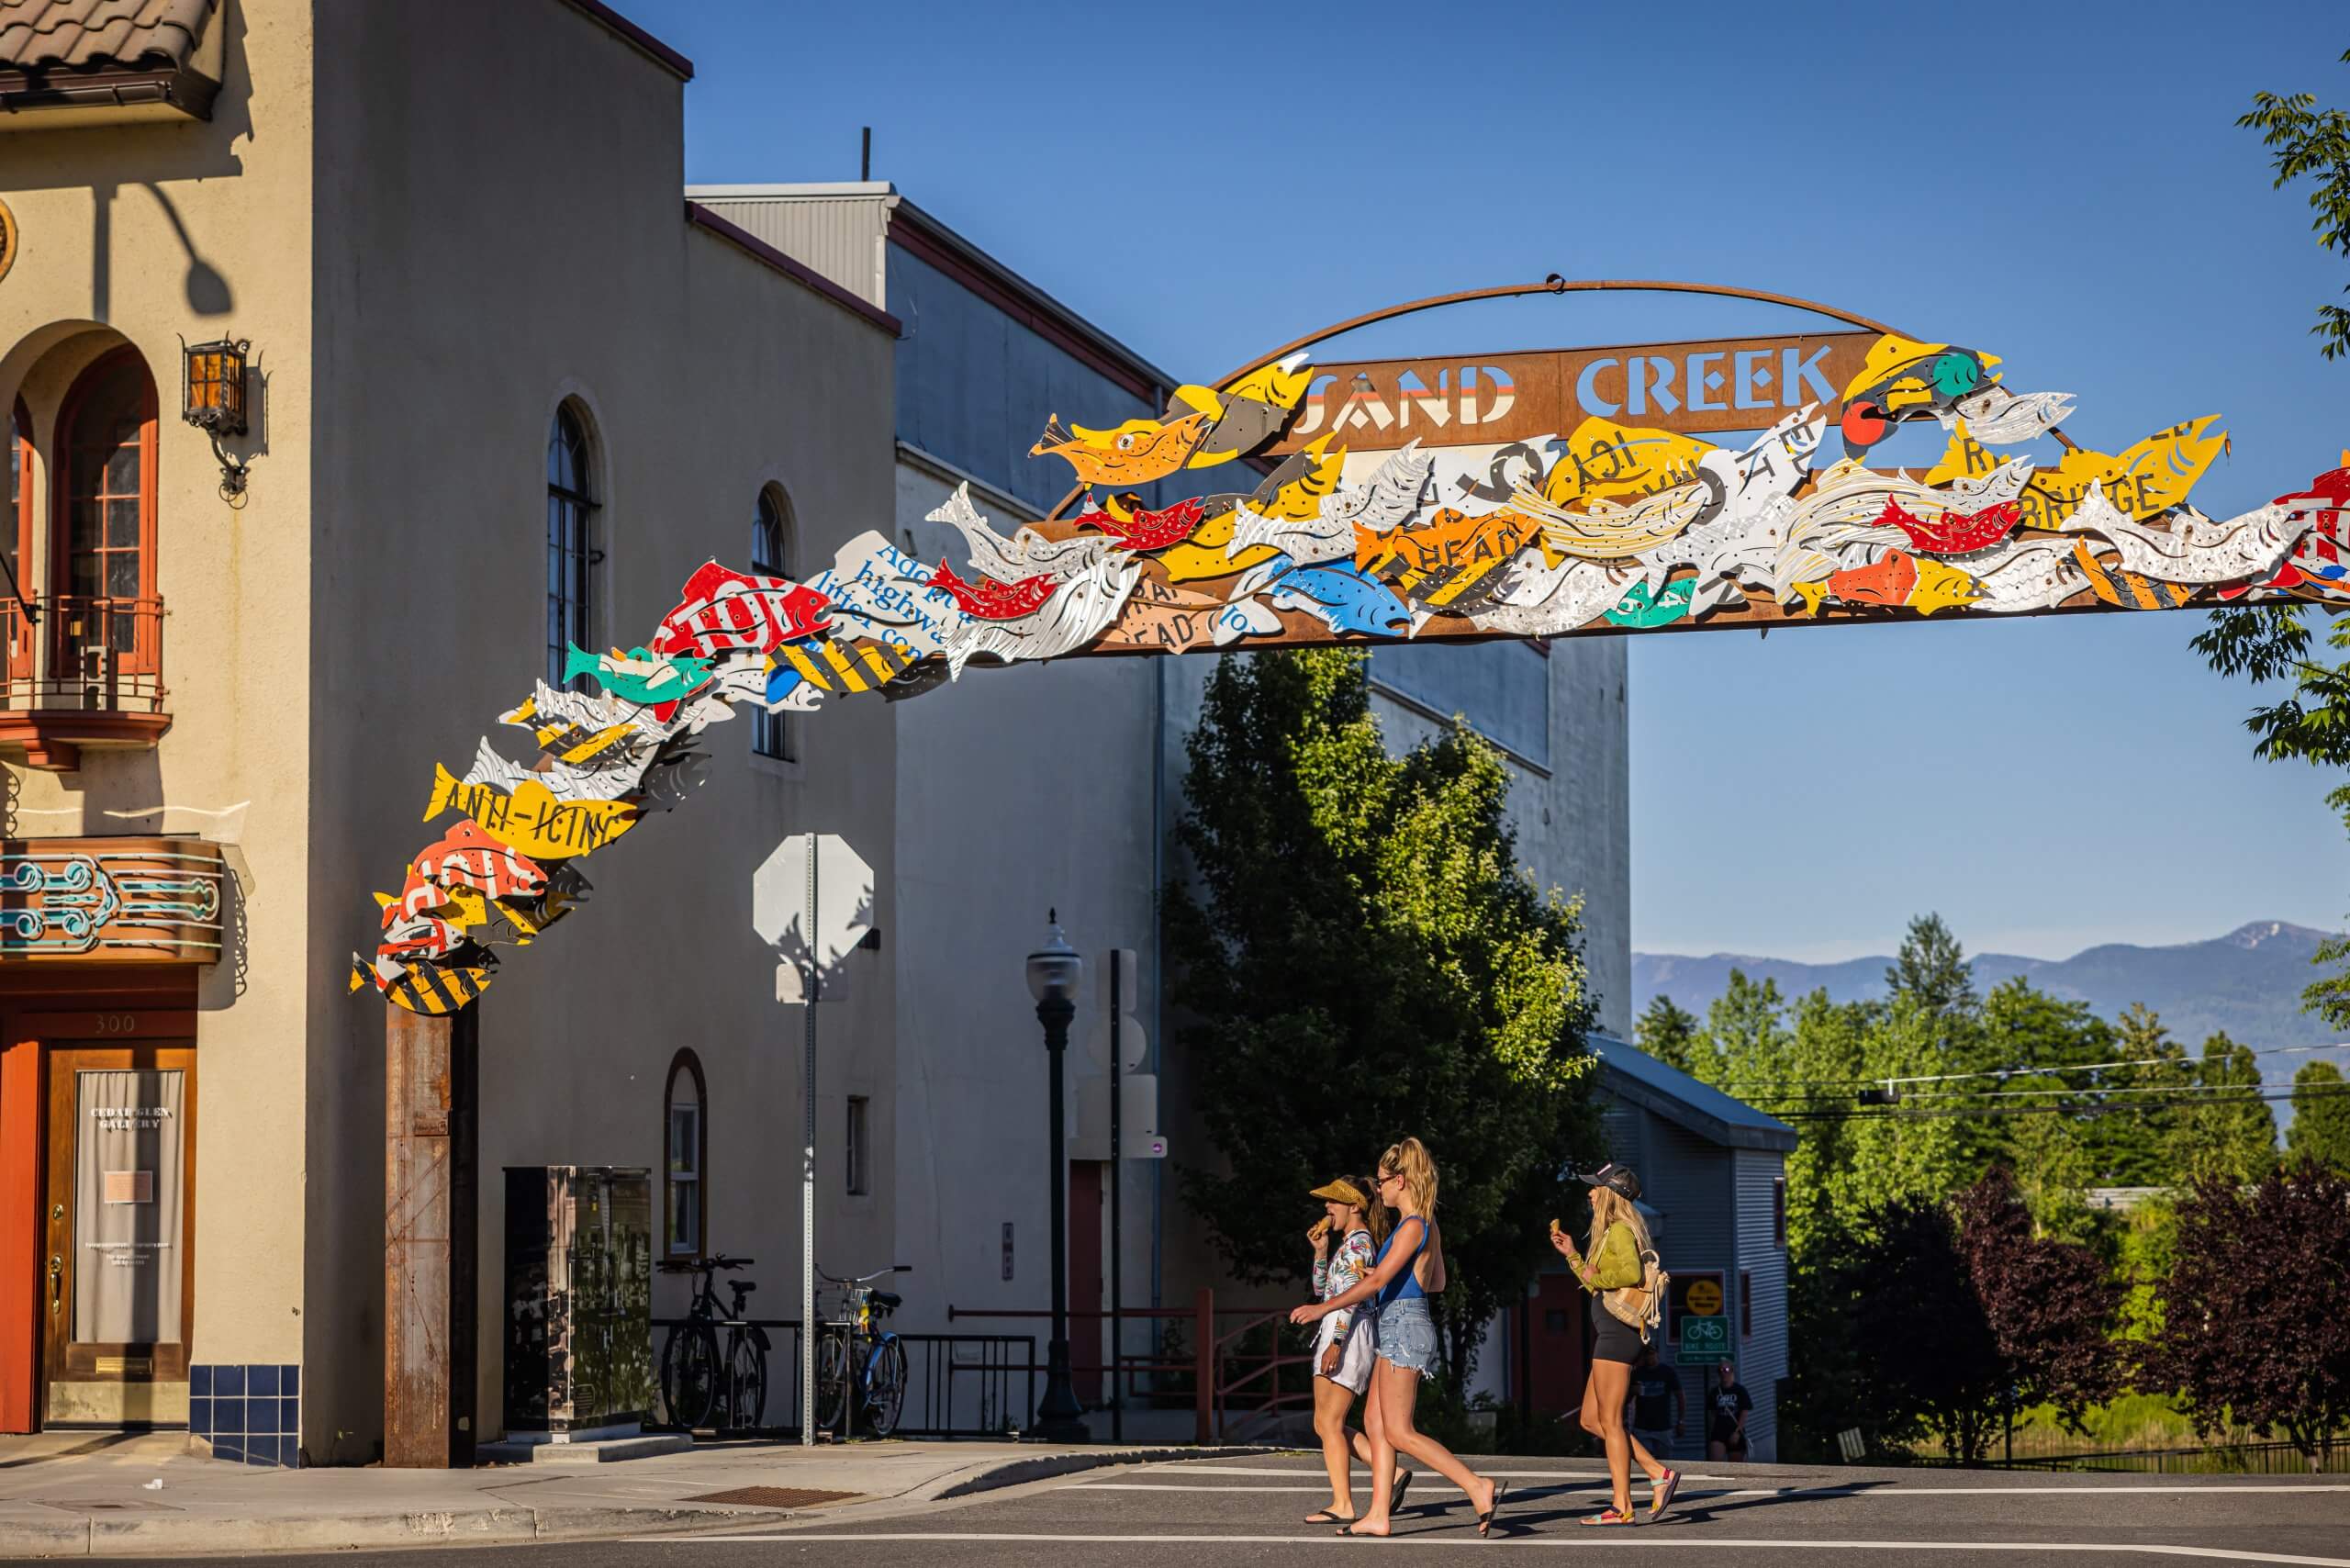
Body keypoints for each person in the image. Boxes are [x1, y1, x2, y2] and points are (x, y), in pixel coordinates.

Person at [1292, 1138, 1505, 1539]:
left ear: (1401, 1180)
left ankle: (1477, 1486)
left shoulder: (1412, 1225)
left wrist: (1322, 1309)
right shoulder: (1425, 1224)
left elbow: (1375, 1280)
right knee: (1374, 1422)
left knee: (1399, 1430)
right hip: (1400, 1322)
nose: (1380, 1187)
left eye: (1383, 1179)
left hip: (1403, 1326)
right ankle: (1377, 1515)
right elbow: (1437, 1281)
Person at [1550, 1163, 1679, 1526]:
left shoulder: (1621, 1230)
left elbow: (1631, 1274)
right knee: (1593, 1420)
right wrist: (1573, 1255)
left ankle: (1622, 1506)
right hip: (1611, 1334)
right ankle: (1658, 1473)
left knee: (1610, 1420)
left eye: (1595, 1188)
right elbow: (1597, 1286)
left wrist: (1594, 1273)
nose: (1590, 1193)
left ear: (1611, 1194)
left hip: (1618, 1338)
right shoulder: (1611, 1233)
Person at [1303, 1176, 1387, 1526]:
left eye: (1334, 1202)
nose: (1327, 1208)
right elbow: (1324, 1291)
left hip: (1348, 1333)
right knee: (1323, 1422)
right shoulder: (1346, 1244)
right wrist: (1321, 1254)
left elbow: (1351, 1301)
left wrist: (1336, 1343)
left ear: (1354, 1206)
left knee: (1331, 1421)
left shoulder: (1359, 1244)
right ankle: (1390, 1475)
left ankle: (1343, 1503)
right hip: (1337, 1329)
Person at [1626, 1344, 1683, 1463]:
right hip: (1642, 1427)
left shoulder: (1667, 1372)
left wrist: (1680, 1421)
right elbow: (1626, 1400)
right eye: (1646, 1354)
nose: (1649, 1357)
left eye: (1652, 1353)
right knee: (1643, 1462)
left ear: (1657, 1354)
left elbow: (1680, 1397)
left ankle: (1664, 1481)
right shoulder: (1637, 1374)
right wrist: (1631, 1391)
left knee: (1665, 1462)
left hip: (1663, 1427)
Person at [1707, 1361, 1754, 1462]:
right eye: (1720, 1371)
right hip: (1719, 1431)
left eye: (1726, 1370)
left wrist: (1737, 1432)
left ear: (1732, 1371)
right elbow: (1712, 1413)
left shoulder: (1740, 1390)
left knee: (1735, 1466)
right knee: (1715, 1462)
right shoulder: (1714, 1392)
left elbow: (1744, 1412)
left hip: (1735, 1430)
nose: (1723, 1373)